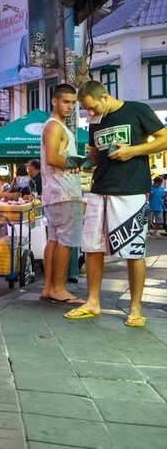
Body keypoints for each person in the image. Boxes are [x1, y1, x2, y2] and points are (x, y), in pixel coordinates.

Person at [64, 80, 167, 327]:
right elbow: (97, 156)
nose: (90, 114)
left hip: (131, 190)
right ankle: (92, 302)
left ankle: (135, 307)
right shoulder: (95, 121)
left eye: (93, 108)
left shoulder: (137, 110)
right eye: (86, 110)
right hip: (99, 189)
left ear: (105, 97)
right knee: (92, 247)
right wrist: (85, 161)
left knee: (134, 250)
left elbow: (164, 139)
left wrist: (133, 151)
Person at [38, 83, 84, 306]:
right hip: (64, 192)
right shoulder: (55, 127)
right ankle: (57, 288)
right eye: (66, 102)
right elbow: (53, 158)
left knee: (54, 240)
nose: (70, 107)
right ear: (54, 101)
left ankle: (49, 288)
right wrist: (76, 162)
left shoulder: (53, 126)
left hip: (55, 192)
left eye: (73, 103)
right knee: (65, 241)